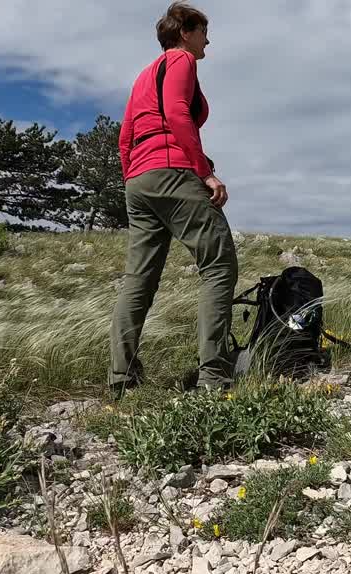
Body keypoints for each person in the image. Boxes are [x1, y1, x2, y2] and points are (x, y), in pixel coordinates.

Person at [110, 1, 237, 396]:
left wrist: (134, 176)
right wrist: (204, 171)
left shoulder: (143, 76)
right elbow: (179, 114)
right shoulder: (181, 61)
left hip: (140, 181)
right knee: (219, 265)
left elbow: (125, 137)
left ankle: (121, 380)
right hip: (173, 172)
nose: (207, 40)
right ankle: (214, 378)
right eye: (203, 32)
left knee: (139, 281)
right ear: (185, 32)